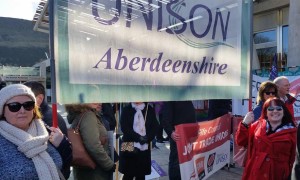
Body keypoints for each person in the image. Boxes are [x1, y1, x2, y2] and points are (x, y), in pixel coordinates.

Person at [0, 84, 65, 179]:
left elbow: (64, 166)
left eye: (28, 105)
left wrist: (61, 145)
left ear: (34, 109)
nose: (22, 111)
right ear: (2, 111)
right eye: (14, 106)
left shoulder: (46, 131)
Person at [236, 97, 296, 180]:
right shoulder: (258, 125)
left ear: (284, 111)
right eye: (270, 109)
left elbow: (294, 158)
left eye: (279, 108)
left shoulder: (293, 132)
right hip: (255, 173)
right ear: (265, 112)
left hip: (278, 175)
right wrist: (245, 124)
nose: (275, 111)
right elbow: (241, 142)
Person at [24, 81, 72, 179]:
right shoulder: (40, 116)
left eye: (27, 99)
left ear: (39, 98)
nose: (22, 107)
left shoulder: (49, 118)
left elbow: (59, 156)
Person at [65, 103, 116, 180]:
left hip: (85, 170)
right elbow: (93, 145)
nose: (98, 101)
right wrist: (109, 164)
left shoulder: (79, 114)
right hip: (95, 172)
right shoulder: (88, 116)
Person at [119, 102, 159, 180]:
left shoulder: (149, 109)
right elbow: (124, 128)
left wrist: (147, 138)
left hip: (144, 144)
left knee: (141, 174)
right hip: (128, 143)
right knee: (128, 174)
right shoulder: (126, 109)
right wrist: (138, 137)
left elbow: (155, 127)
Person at [161, 101, 196, 180]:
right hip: (178, 136)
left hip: (188, 135)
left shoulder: (186, 98)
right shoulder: (171, 98)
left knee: (186, 160)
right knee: (175, 162)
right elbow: (165, 119)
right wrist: (171, 132)